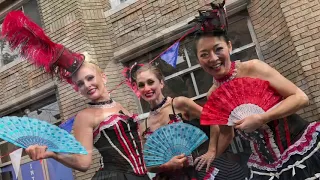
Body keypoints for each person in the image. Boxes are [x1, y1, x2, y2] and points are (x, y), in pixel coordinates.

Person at [1, 11, 150, 180]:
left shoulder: (121, 106)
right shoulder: (85, 117)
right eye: (80, 83)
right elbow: (83, 163)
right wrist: (52, 154)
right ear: (77, 89)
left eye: (90, 78)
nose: (87, 85)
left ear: (103, 77)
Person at [193, 1, 320, 180]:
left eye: (218, 49)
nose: (213, 58)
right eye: (204, 54)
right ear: (198, 59)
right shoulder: (213, 95)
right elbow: (227, 134)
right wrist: (212, 154)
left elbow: (300, 98)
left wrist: (262, 117)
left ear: (229, 46)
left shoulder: (254, 68)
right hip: (265, 166)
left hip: (299, 148)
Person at [130, 64, 246, 180]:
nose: (146, 88)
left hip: (197, 172)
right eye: (141, 85)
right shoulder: (143, 125)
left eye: (150, 82)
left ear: (161, 83)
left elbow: (213, 119)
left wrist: (212, 151)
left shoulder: (179, 104)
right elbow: (149, 165)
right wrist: (166, 165)